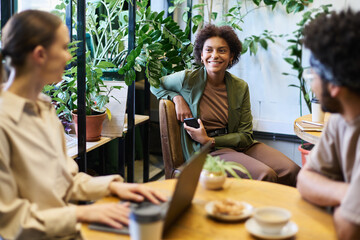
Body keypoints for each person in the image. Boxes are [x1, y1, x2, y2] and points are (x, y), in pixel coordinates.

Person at [0, 10, 165, 240]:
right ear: (40, 54)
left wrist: (112, 187)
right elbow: (12, 222)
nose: (69, 57)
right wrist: (84, 212)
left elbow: (65, 181)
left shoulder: (45, 108)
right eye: (64, 48)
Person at [151, 24, 300, 186]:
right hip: (208, 151)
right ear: (201, 55)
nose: (214, 55)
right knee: (265, 174)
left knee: (292, 170)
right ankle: (249, 211)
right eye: (208, 50)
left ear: (231, 57)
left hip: (238, 145)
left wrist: (210, 139)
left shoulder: (240, 86)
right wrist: (176, 98)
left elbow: (245, 135)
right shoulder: (187, 79)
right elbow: (155, 84)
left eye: (222, 50)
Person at [296, 10, 360, 240]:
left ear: (333, 86)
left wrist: (344, 203)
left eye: (313, 76)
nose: (312, 84)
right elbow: (305, 179)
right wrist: (349, 194)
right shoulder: (341, 118)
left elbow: (348, 229)